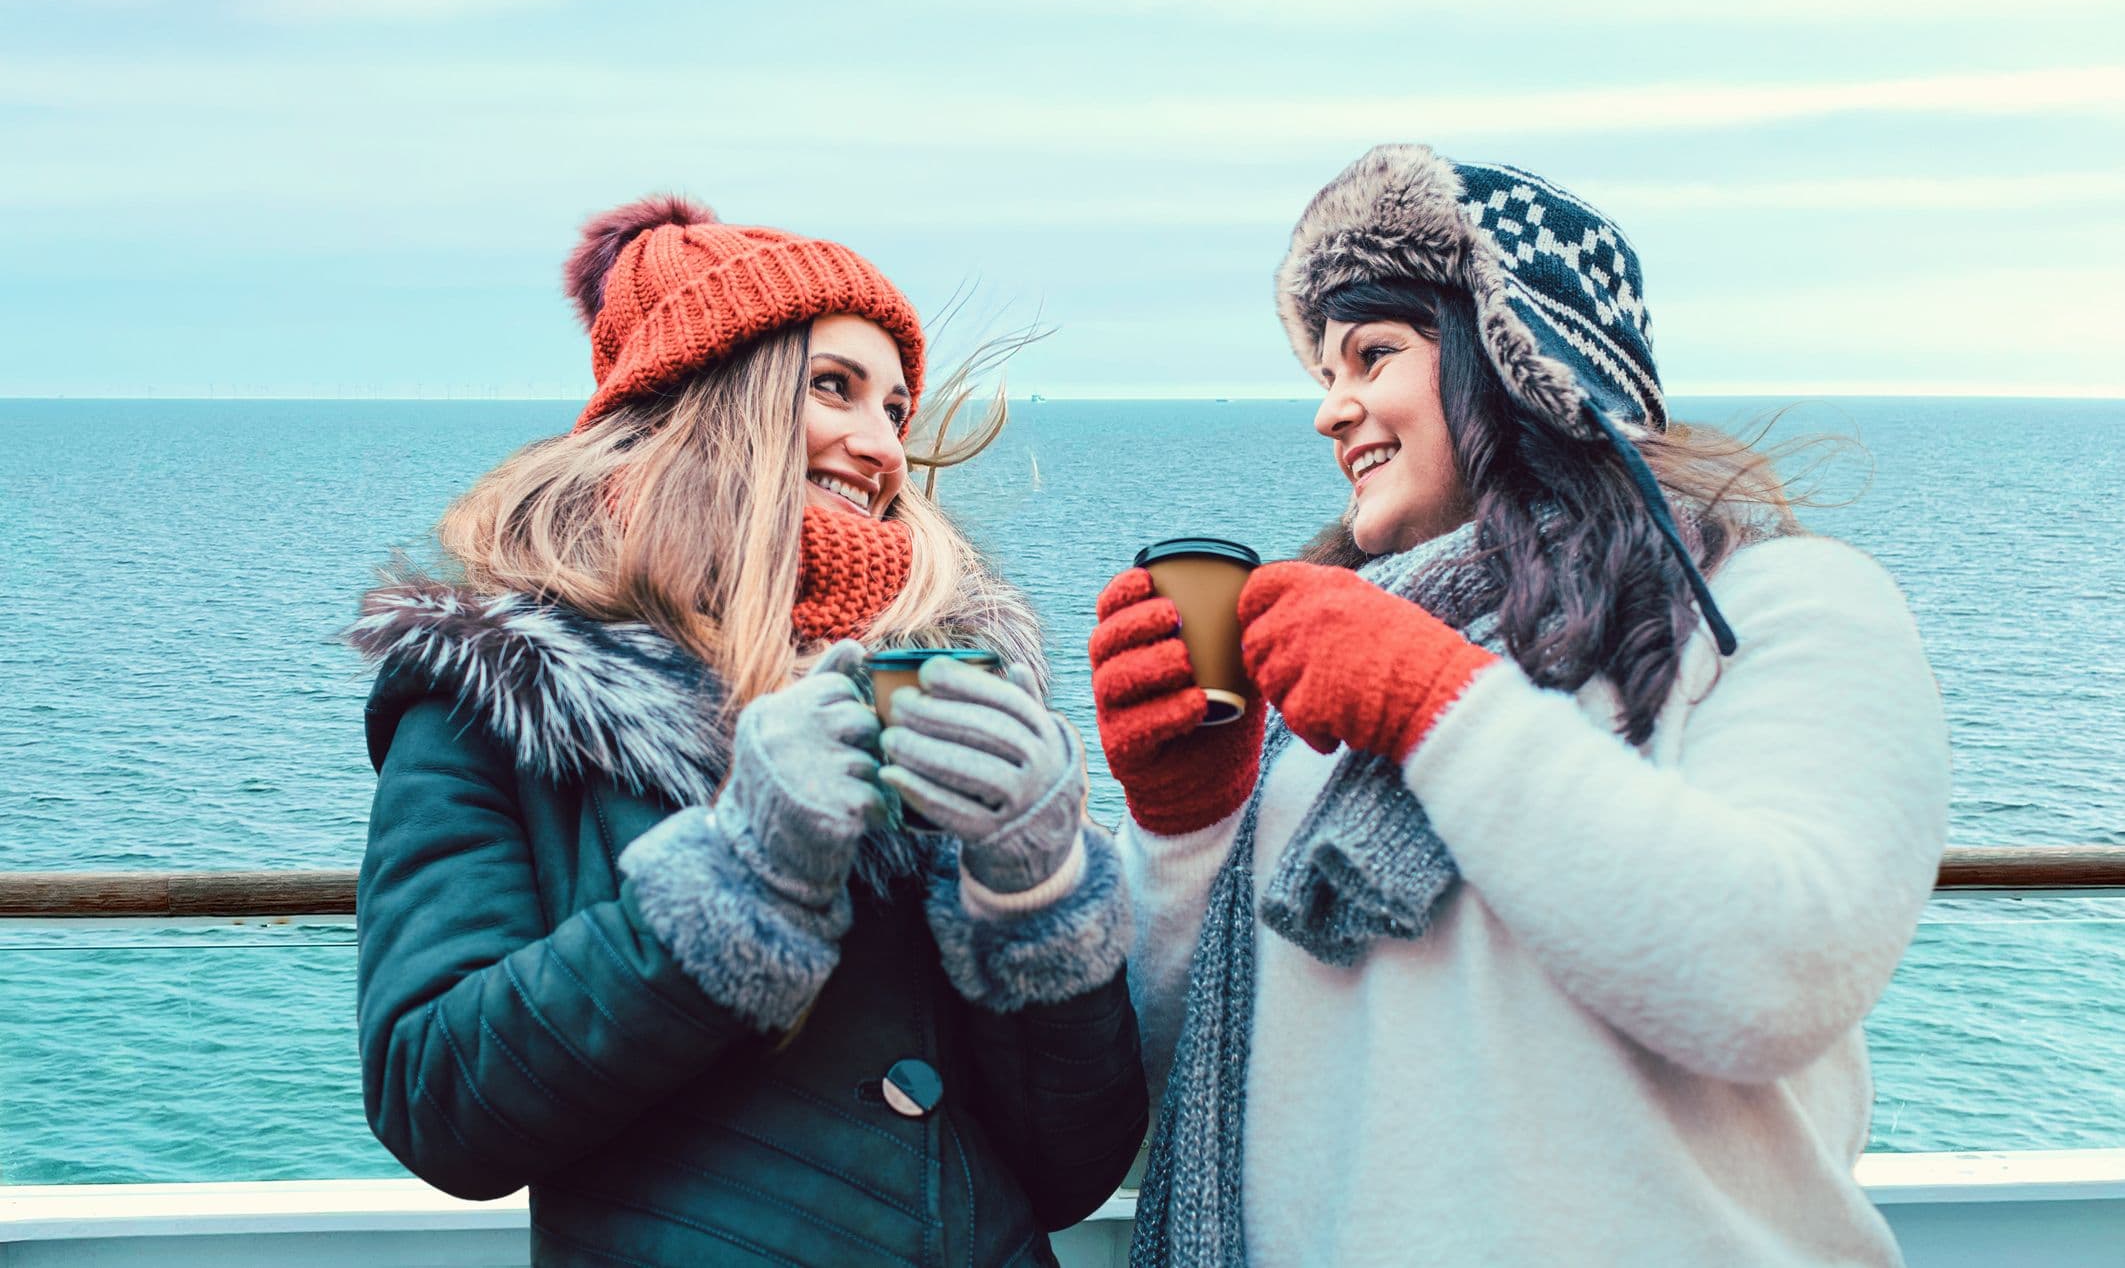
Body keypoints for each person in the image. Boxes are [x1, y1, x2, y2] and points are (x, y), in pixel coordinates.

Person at [1090, 145, 1949, 1266]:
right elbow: (1180, 1093)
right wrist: (1185, 825)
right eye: (1324, 376)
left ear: (1516, 355)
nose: (1331, 411)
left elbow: (1771, 973)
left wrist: (1434, 702)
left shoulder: (1783, 603)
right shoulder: (1325, 694)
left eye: (1373, 354)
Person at [351, 196, 1146, 1267]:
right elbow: (437, 1102)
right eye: (833, 387)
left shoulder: (944, 679)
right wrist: (741, 875)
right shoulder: (499, 694)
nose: (883, 447)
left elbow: (1072, 1171)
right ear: (703, 400)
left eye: (895, 408)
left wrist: (1035, 889)